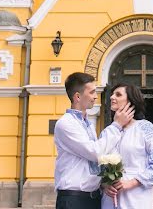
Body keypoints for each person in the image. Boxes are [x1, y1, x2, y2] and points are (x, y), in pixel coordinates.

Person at [54, 72, 135, 209]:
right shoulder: (66, 124)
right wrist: (116, 125)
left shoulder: (88, 124)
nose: (96, 96)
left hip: (92, 198)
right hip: (74, 200)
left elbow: (91, 163)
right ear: (78, 96)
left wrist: (105, 182)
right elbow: (95, 153)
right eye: (92, 92)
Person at [100, 83, 153, 209]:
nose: (112, 97)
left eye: (118, 95)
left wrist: (132, 183)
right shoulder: (108, 131)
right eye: (112, 94)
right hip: (110, 199)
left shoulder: (145, 128)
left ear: (131, 100)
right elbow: (96, 163)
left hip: (136, 196)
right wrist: (104, 185)